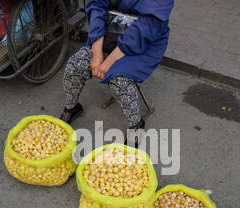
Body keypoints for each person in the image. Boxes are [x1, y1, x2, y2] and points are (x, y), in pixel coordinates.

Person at [60, 0, 174, 144]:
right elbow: (96, 5)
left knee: (119, 80)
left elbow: (146, 27)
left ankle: (136, 125)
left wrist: (108, 62)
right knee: (75, 66)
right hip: (111, 32)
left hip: (144, 41)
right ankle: (72, 107)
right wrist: (96, 52)